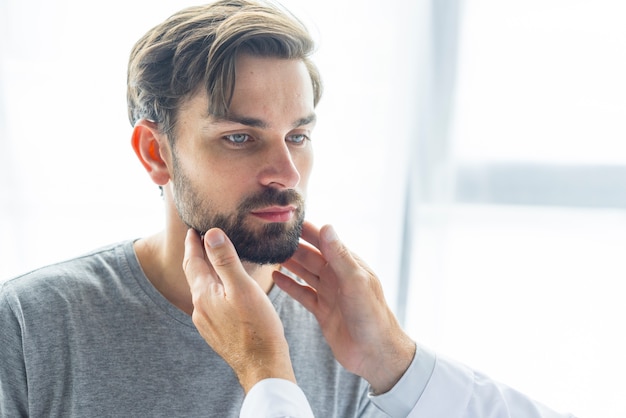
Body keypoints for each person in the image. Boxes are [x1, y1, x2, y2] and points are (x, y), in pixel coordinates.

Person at [0, 1, 575, 417]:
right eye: (239, 138)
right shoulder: (31, 328)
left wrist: (395, 363)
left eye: (297, 136)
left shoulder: (351, 341)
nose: (287, 174)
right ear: (157, 152)